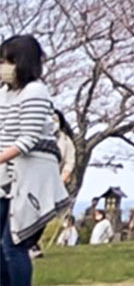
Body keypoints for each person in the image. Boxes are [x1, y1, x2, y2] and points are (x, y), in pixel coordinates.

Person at [0, 35, 64, 286]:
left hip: (30, 174)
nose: (3, 66)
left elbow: (28, 138)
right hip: (7, 176)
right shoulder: (5, 94)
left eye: (7, 61)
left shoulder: (35, 91)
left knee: (13, 244)